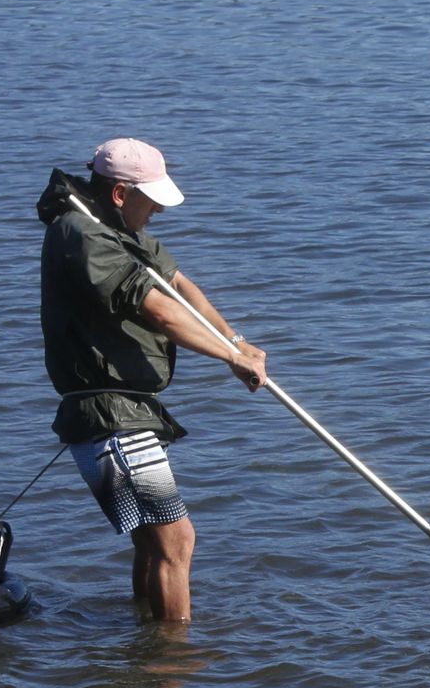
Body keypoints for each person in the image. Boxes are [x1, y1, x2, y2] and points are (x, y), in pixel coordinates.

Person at [38, 137, 268, 624]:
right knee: (175, 538)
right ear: (121, 194)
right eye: (152, 201)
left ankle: (145, 639)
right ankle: (172, 664)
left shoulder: (118, 228)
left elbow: (178, 286)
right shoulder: (82, 235)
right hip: (106, 411)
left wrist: (235, 339)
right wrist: (228, 357)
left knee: (152, 539)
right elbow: (159, 309)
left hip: (129, 408)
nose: (158, 212)